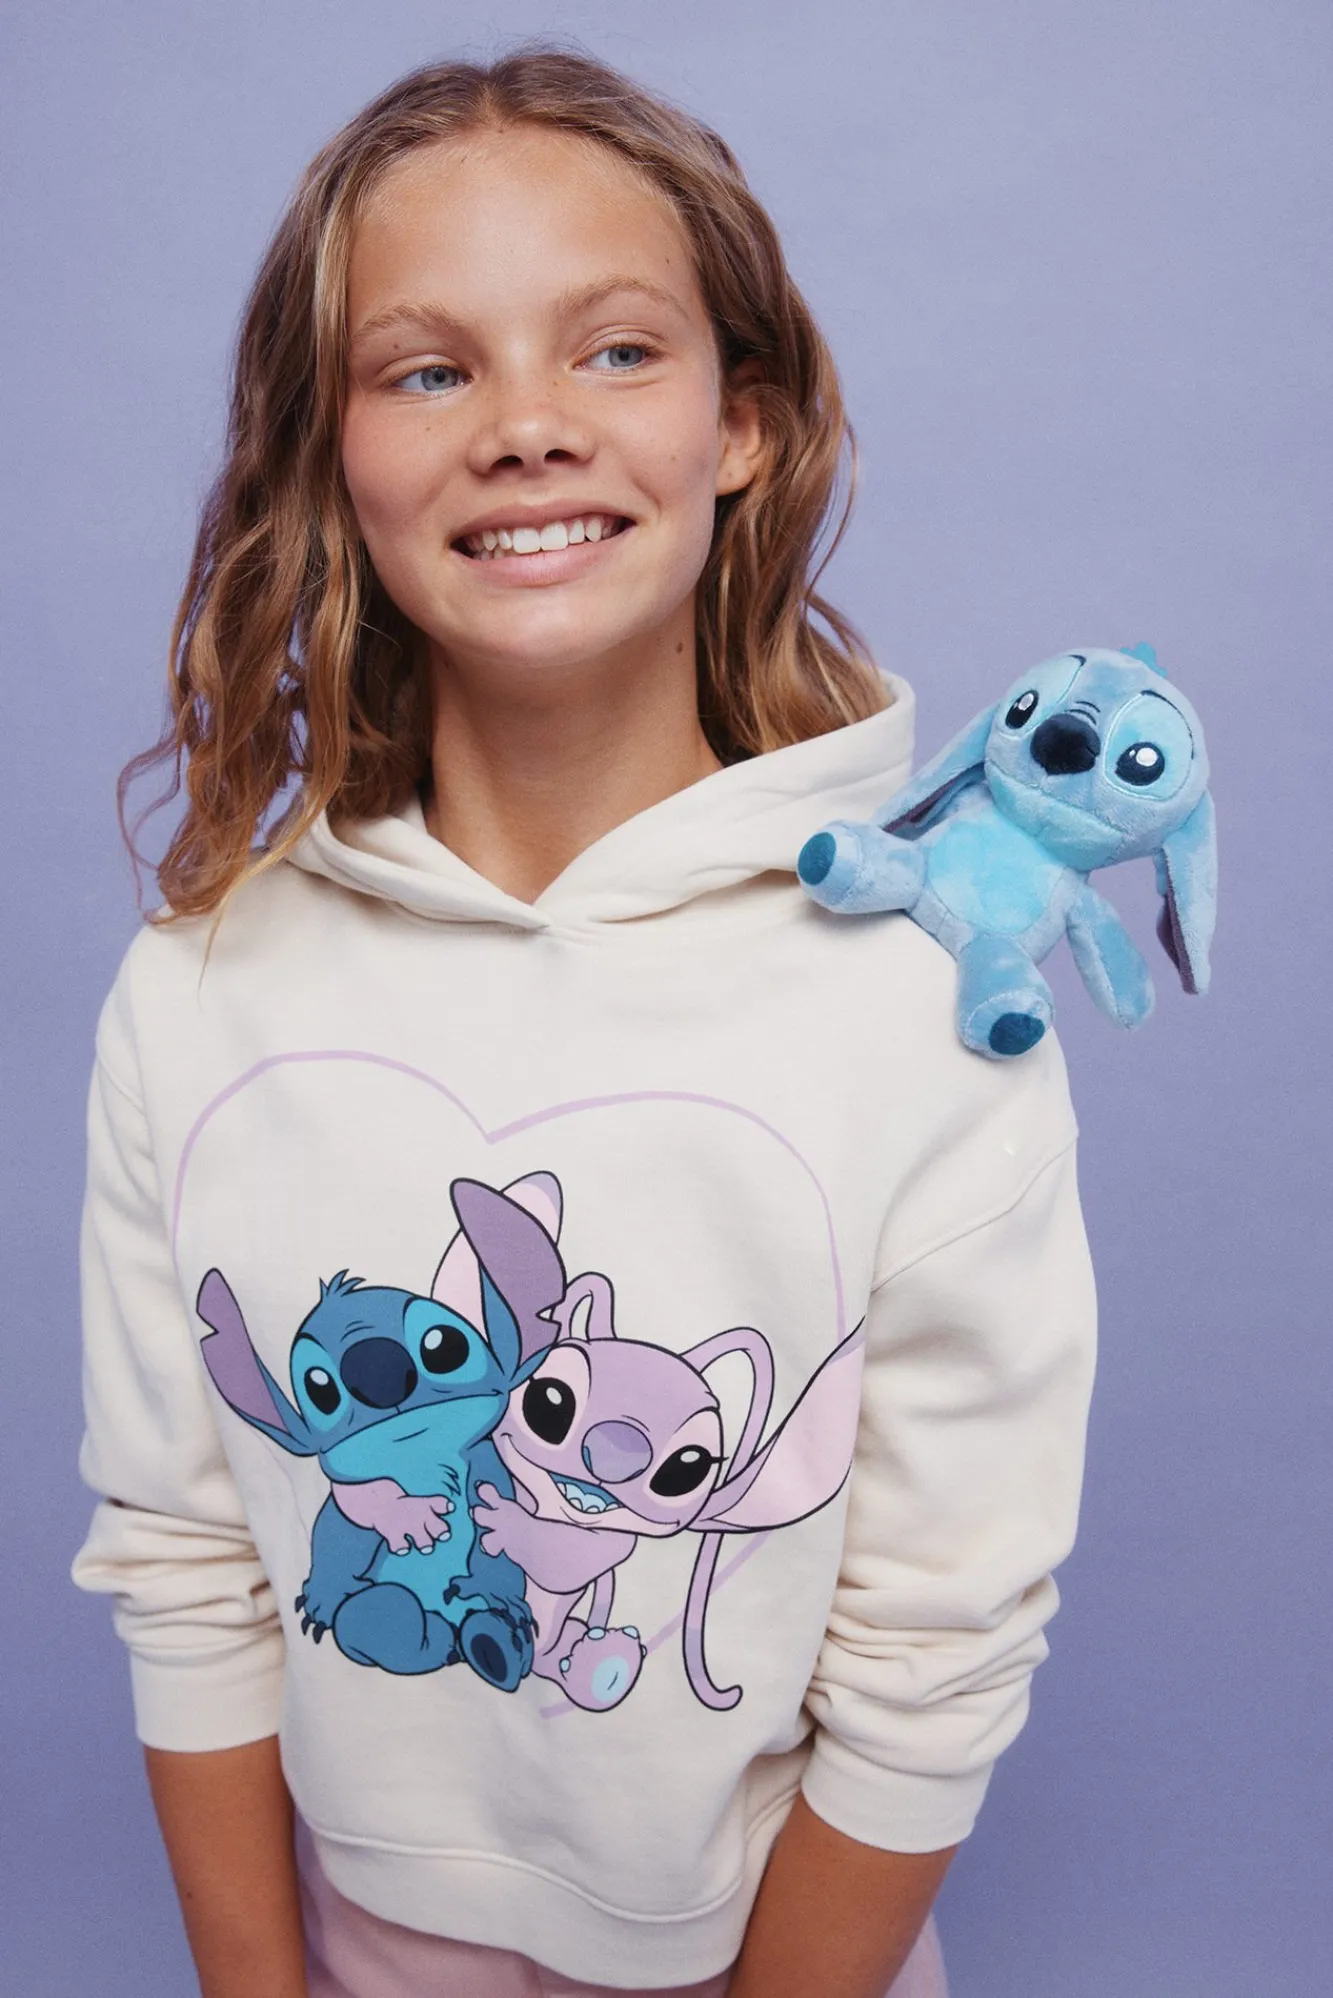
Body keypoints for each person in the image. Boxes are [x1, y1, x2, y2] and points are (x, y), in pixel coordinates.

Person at [72, 47, 1097, 1998]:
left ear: (743, 424)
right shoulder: (200, 989)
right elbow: (186, 1568)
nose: (529, 427)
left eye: (617, 351)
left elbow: (936, 1649)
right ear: (330, 456)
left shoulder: (920, 1004)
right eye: (426, 370)